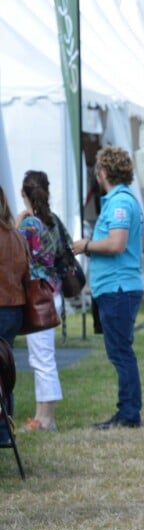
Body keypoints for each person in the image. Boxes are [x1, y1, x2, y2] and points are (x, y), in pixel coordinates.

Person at [72, 146, 144, 429]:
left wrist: (85, 246)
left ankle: (128, 414)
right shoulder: (123, 200)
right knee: (120, 351)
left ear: (103, 172)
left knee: (120, 352)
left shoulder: (118, 203)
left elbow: (116, 244)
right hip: (116, 288)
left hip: (118, 288)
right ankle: (128, 410)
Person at [16, 171, 68, 432]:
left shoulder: (28, 225)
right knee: (42, 357)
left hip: (37, 296)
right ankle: (41, 415)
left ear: (24, 194)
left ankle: (47, 419)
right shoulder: (54, 221)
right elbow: (64, 250)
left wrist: (16, 224)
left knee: (42, 359)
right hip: (53, 293)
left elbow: (13, 252)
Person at [0, 185, 29, 444]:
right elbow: (24, 272)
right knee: (5, 370)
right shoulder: (16, 236)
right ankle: (5, 429)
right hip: (14, 309)